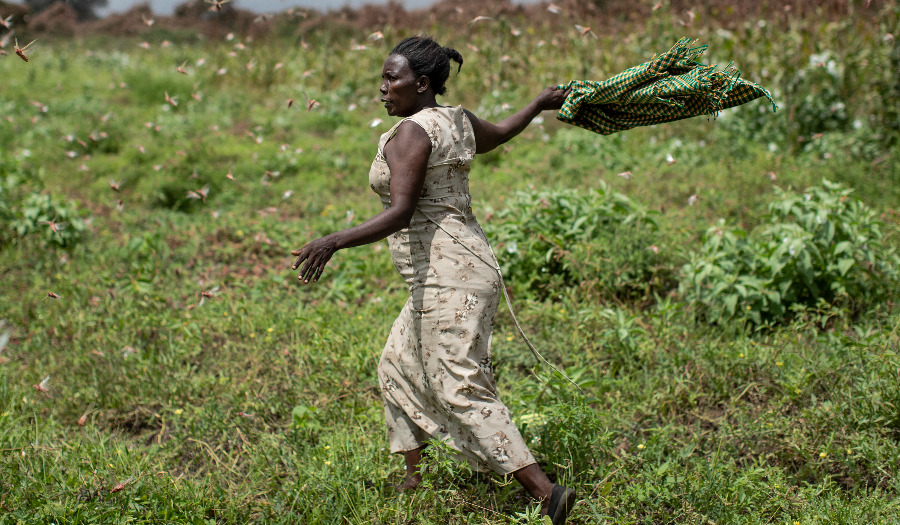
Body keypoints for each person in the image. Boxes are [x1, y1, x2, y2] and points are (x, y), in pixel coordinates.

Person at [290, 35, 575, 524]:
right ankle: (412, 481)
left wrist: (332, 241)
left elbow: (401, 213)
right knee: (397, 365)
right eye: (382, 78)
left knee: (457, 383)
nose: (382, 88)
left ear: (421, 84)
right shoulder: (456, 121)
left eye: (391, 78)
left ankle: (546, 493)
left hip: (449, 277)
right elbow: (502, 132)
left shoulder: (411, 134)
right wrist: (540, 103)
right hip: (463, 268)